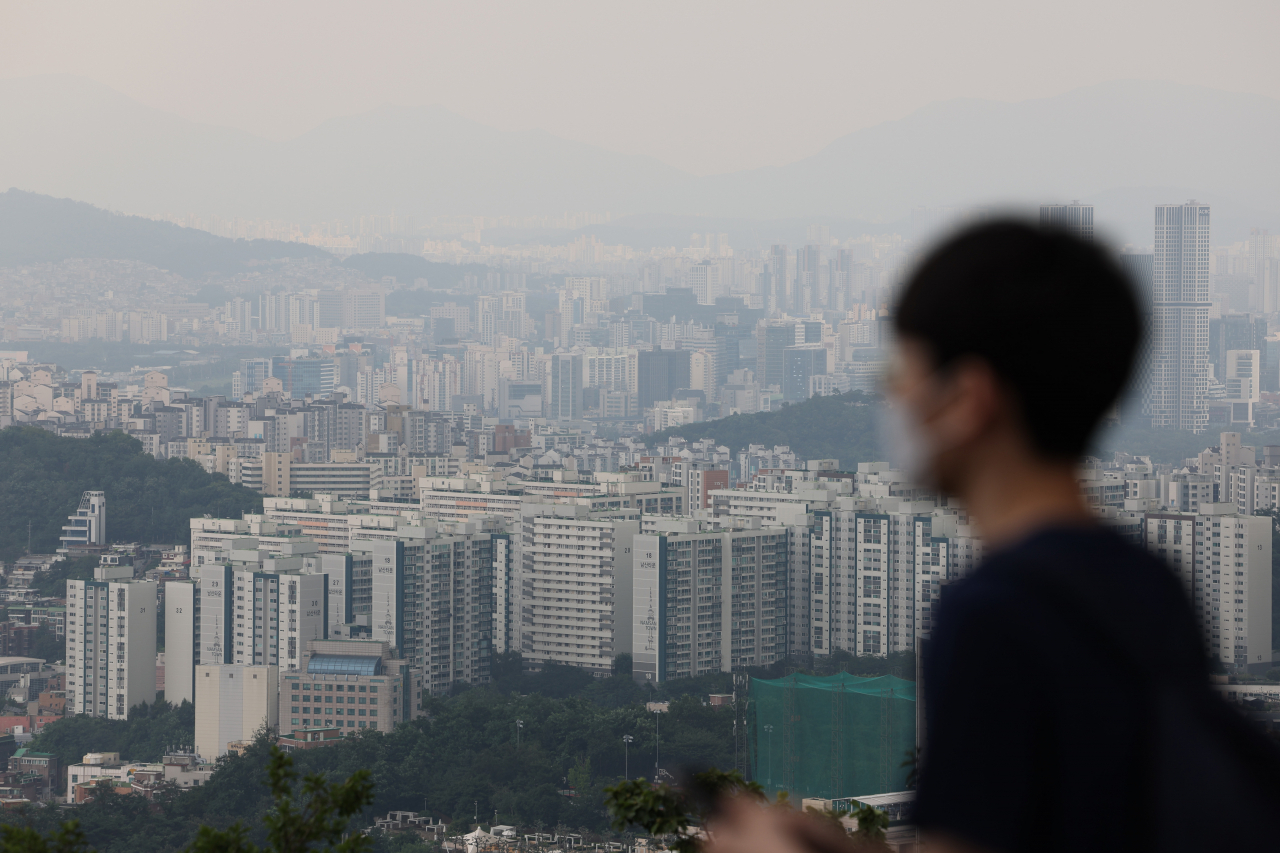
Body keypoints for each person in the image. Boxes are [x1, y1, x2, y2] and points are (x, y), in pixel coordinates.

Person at [705, 221, 1280, 853]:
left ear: (969, 398)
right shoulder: (1146, 578)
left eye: (903, 371)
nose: (891, 395)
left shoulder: (994, 614)